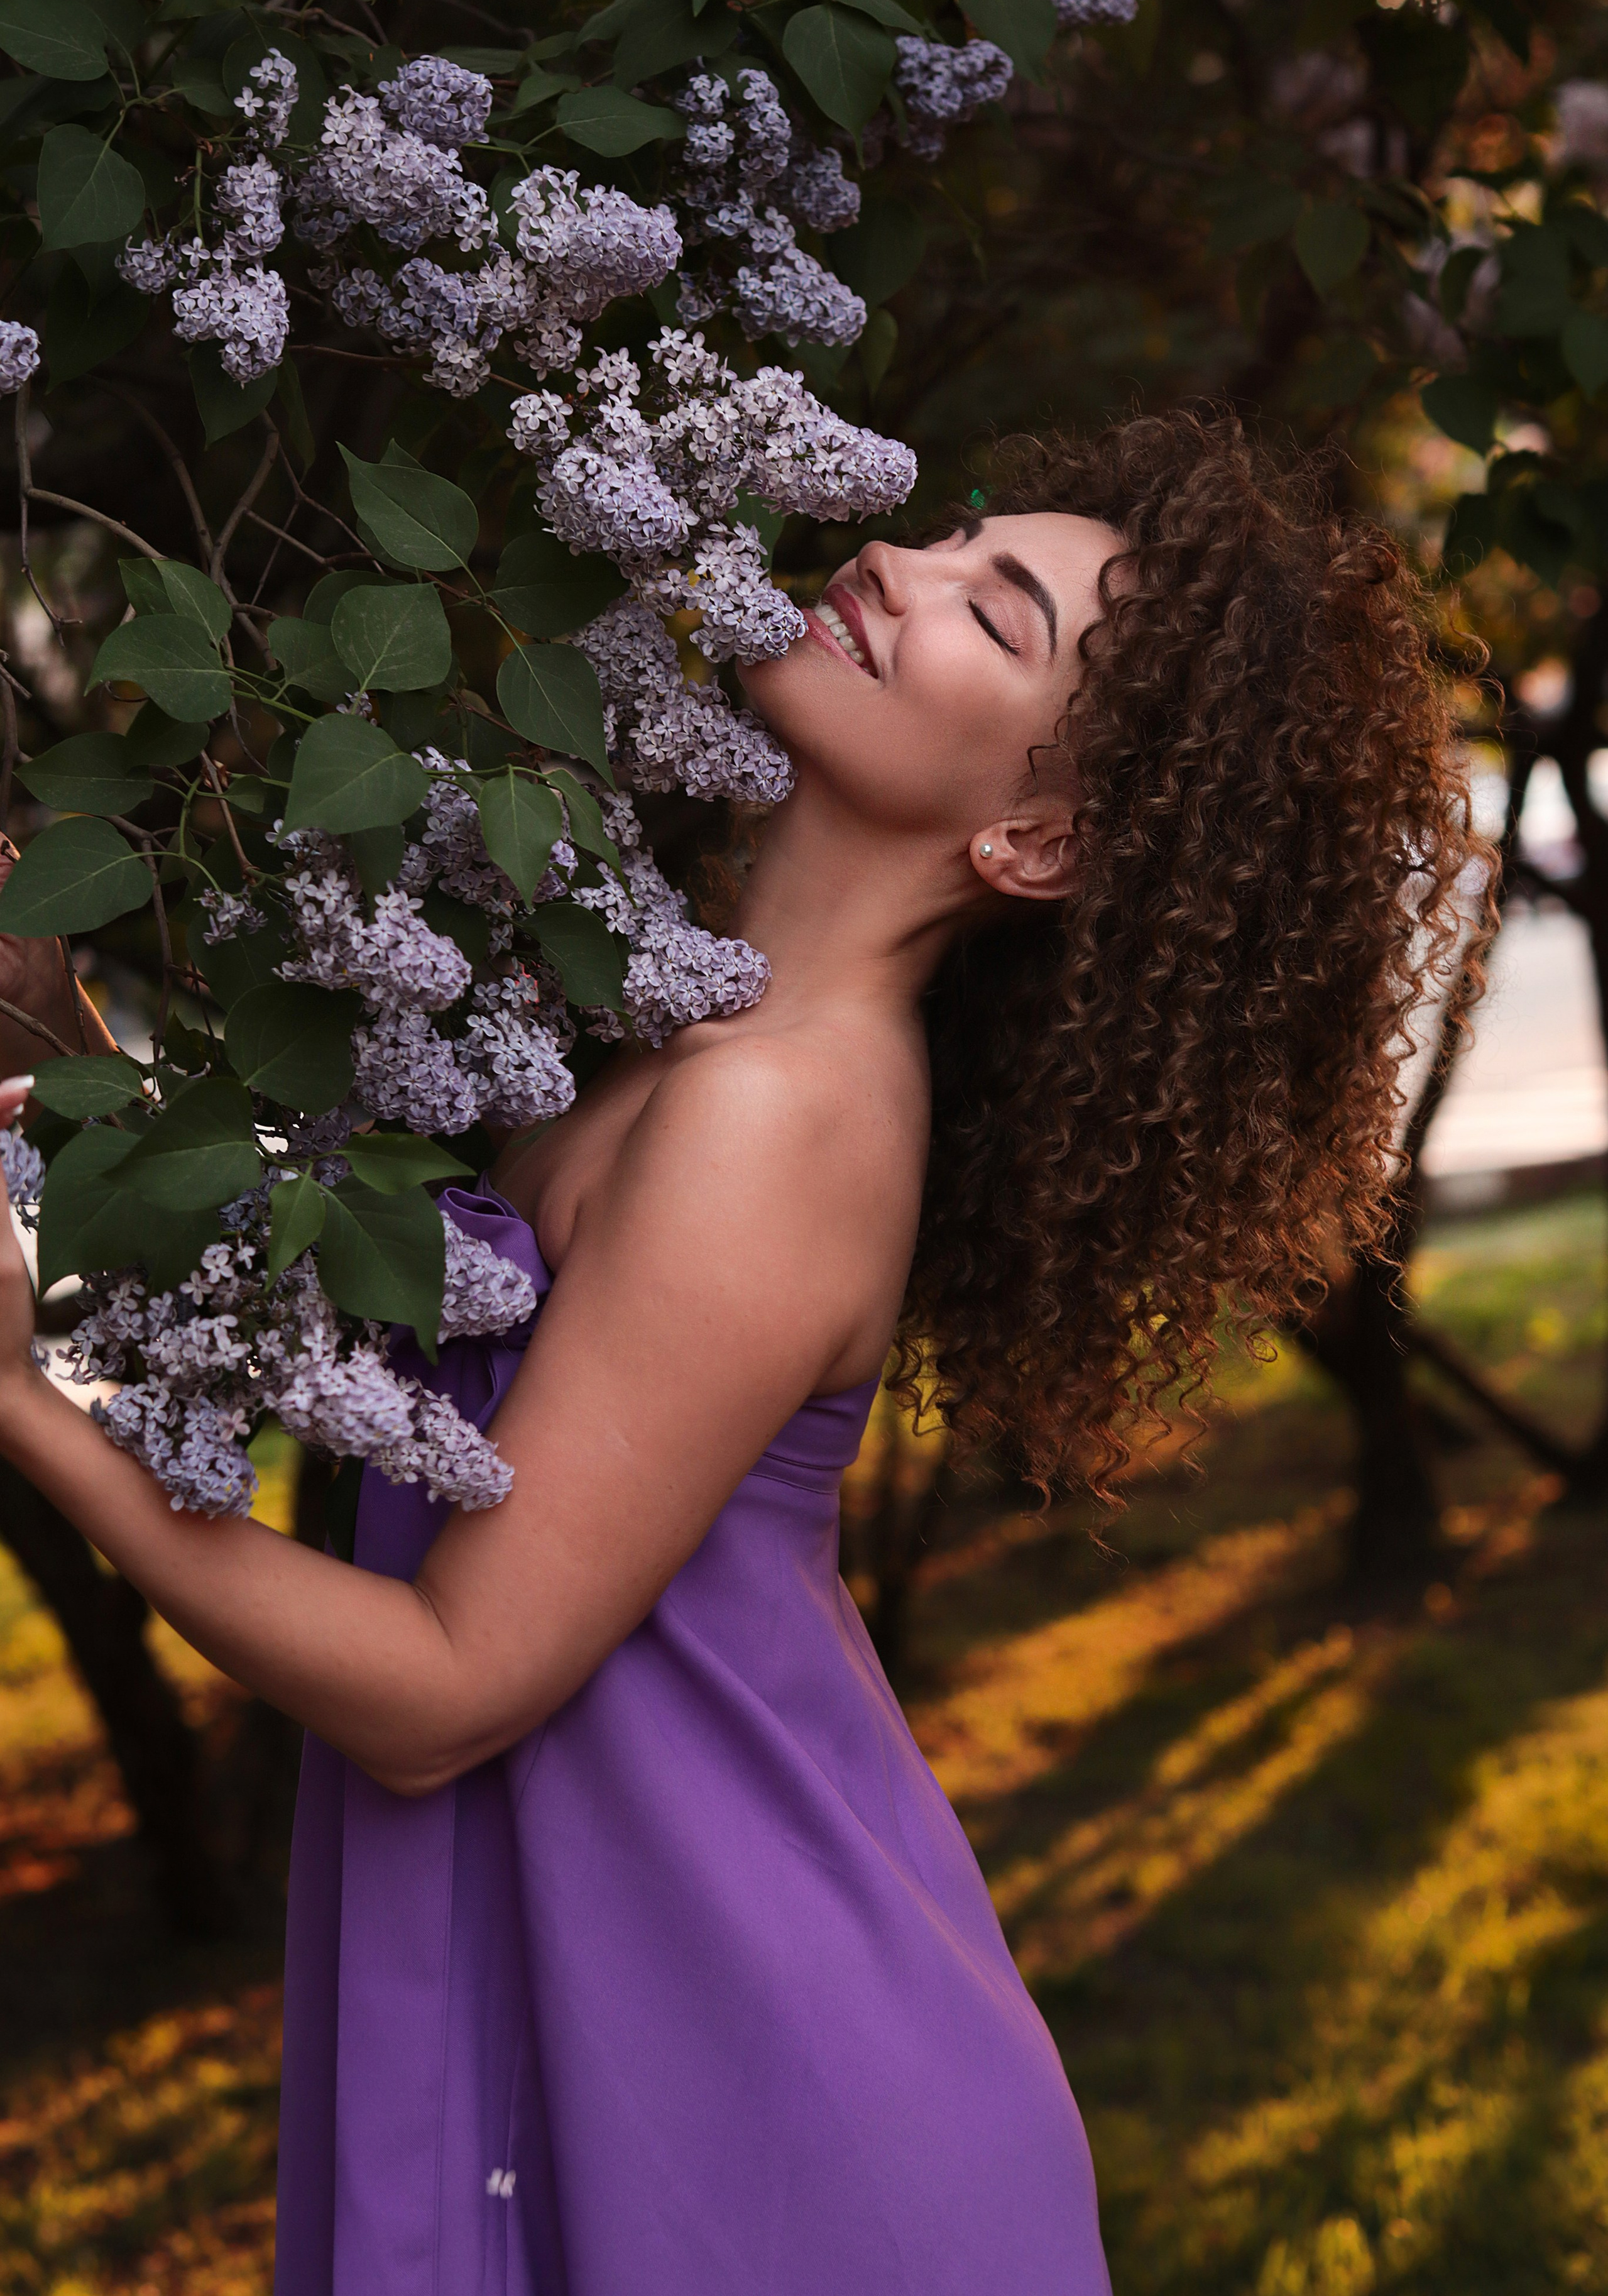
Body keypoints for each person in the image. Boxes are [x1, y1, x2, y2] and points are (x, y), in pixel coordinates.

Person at [0, 409, 1484, 2294]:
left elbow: (451, 1684)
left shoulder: (777, 1122)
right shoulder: (689, 1035)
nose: (903, 563)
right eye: (954, 537)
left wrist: (27, 1411)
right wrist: (76, 1069)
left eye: (995, 612)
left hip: (759, 2099)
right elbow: (411, 1371)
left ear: (1034, 837)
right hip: (666, 1986)